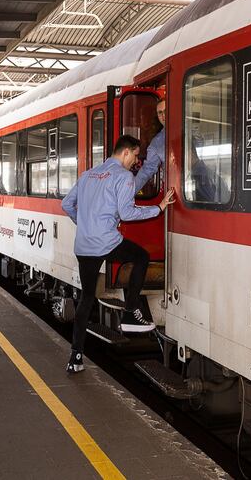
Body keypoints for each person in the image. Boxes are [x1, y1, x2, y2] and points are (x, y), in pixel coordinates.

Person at [61, 135, 175, 374]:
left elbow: (66, 205)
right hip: (106, 242)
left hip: (83, 246)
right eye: (135, 155)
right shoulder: (124, 177)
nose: (136, 161)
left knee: (86, 299)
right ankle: (131, 313)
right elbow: (127, 213)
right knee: (140, 257)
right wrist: (159, 208)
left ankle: (75, 357)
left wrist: (83, 224)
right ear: (126, 152)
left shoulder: (87, 175)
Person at [134, 99, 166, 194]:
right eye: (160, 113)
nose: (163, 115)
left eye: (166, 111)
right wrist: (128, 192)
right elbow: (147, 169)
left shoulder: (187, 129)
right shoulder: (157, 141)